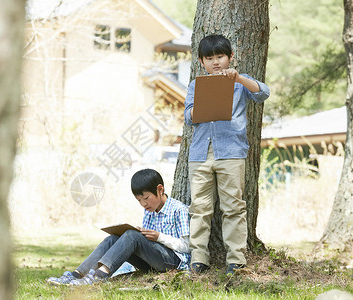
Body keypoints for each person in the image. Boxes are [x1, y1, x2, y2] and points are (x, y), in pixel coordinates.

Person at [183, 34, 270, 275]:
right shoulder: (195, 85)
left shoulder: (240, 83)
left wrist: (238, 78)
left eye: (220, 56)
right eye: (209, 58)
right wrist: (205, 105)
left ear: (230, 57)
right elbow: (188, 116)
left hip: (231, 152)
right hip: (200, 154)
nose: (215, 62)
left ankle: (236, 260)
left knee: (233, 207)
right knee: (199, 208)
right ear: (202, 61)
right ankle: (198, 258)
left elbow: (263, 93)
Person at [46, 168, 191, 285]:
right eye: (139, 200)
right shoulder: (149, 211)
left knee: (132, 236)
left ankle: (97, 277)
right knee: (113, 238)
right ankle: (76, 275)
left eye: (146, 198)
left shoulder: (178, 210)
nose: (143, 204)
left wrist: (159, 237)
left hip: (173, 262)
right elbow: (145, 244)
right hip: (151, 263)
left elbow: (186, 246)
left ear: (160, 189)